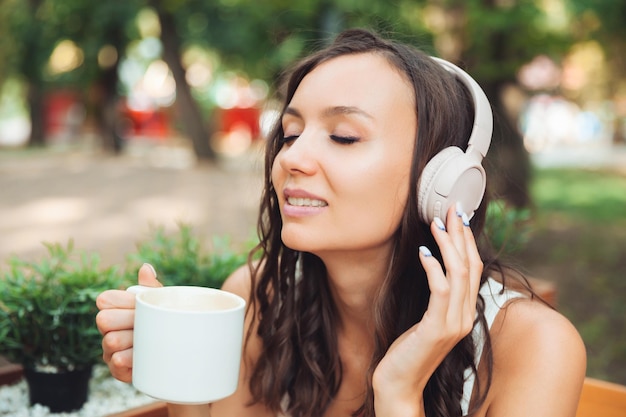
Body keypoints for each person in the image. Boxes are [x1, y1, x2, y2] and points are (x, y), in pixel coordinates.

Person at [96, 28, 586, 417]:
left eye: (345, 136)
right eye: (290, 133)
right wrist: (182, 373)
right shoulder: (258, 297)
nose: (294, 158)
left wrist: (397, 392)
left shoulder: (534, 348)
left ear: (442, 181)